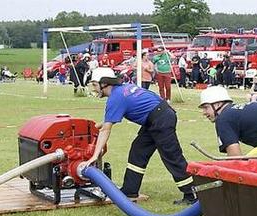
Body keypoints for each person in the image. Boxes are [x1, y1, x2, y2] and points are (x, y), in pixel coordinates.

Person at [84, 68, 196, 205]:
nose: (94, 89)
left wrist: (95, 155)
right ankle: (130, 190)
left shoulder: (115, 98)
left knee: (172, 156)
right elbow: (144, 101)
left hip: (159, 120)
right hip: (158, 116)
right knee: (138, 151)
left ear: (105, 83)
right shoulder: (124, 89)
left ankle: (192, 194)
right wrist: (101, 124)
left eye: (95, 85)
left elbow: (106, 130)